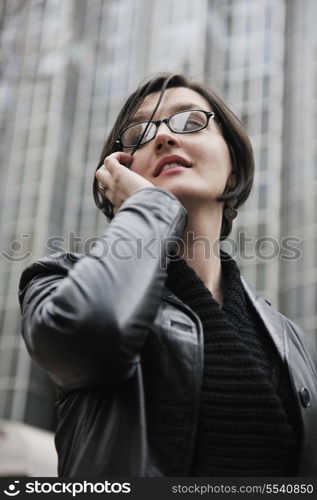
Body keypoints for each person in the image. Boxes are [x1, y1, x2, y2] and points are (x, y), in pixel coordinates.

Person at [19, 73, 317, 477]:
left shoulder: (289, 341)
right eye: (139, 133)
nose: (163, 138)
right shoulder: (59, 278)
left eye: (191, 121)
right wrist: (151, 207)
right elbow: (90, 335)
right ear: (119, 173)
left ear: (232, 169)